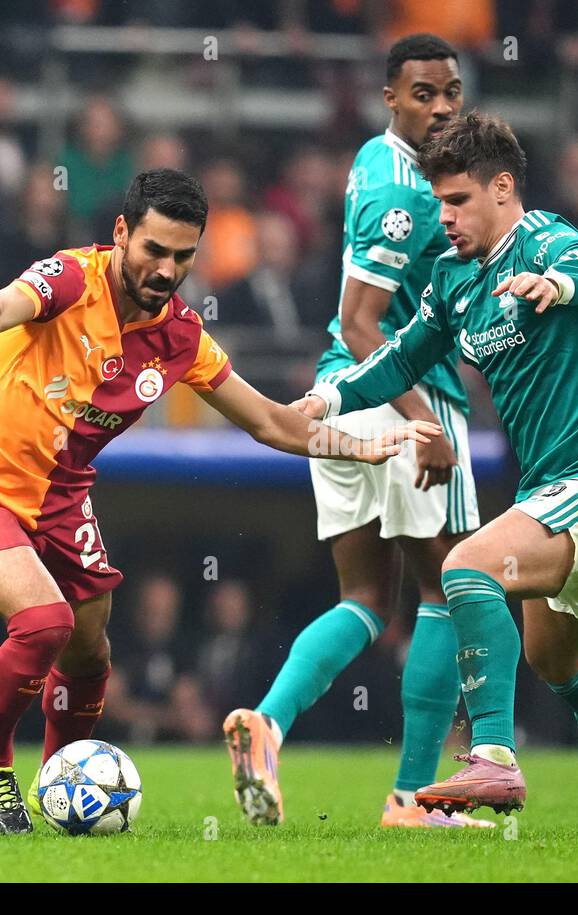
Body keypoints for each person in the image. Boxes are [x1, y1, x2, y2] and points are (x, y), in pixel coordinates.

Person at [0, 168, 438, 834]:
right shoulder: (72, 279)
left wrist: (356, 445)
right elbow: (1, 303)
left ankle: (60, 781)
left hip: (61, 497)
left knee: (89, 656)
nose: (167, 269)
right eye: (154, 251)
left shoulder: (182, 337)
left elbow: (271, 420)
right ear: (120, 235)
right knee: (44, 622)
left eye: (183, 256)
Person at [296, 111, 578, 833]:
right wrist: (327, 395)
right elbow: (401, 357)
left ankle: (493, 757)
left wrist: (557, 284)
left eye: (456, 201)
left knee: (467, 567)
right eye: (437, 201)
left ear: (503, 188)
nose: (442, 217)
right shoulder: (453, 278)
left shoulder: (542, 237)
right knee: (559, 659)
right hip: (553, 492)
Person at [222, 34, 490, 829]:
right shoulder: (404, 195)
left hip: (337, 393)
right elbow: (361, 321)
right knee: (450, 591)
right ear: (389, 97)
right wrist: (422, 424)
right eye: (422, 93)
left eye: (450, 91)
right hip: (403, 396)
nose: (440, 106)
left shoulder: (375, 160)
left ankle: (267, 722)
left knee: (368, 597)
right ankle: (413, 798)